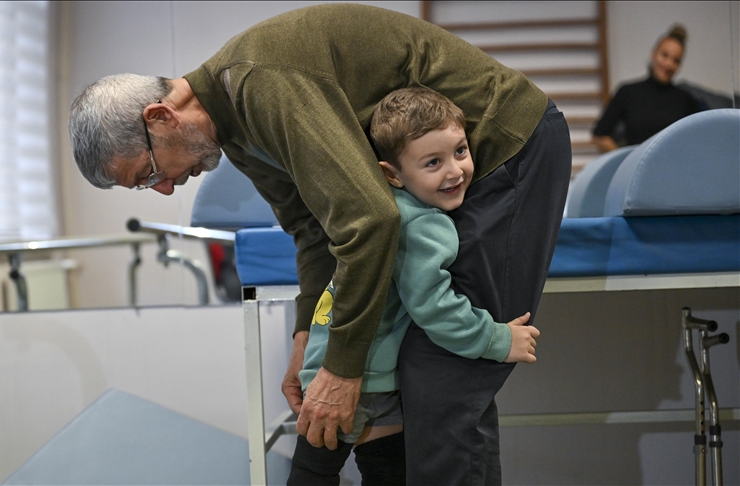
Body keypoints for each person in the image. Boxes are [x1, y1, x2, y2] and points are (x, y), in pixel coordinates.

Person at [68, 4, 571, 483]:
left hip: (505, 146)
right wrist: (307, 336)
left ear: (161, 117)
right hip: (444, 177)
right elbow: (312, 229)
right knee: (422, 367)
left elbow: (369, 221)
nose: (163, 189)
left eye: (147, 173)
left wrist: (342, 369)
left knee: (444, 367)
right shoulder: (237, 132)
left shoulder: (262, 85)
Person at [289, 87, 540, 485]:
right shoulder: (422, 225)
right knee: (366, 474)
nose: (454, 171)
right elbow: (434, 306)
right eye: (433, 163)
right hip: (367, 382)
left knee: (316, 472)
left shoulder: (380, 205)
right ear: (393, 174)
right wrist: (497, 339)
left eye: (460, 151)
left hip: (333, 368)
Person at [592, 24, 701, 152]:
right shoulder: (628, 93)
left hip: (673, 163)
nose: (668, 64)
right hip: (636, 163)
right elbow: (599, 135)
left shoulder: (686, 100)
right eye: (664, 55)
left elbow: (702, 136)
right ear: (653, 53)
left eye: (675, 61)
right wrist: (625, 159)